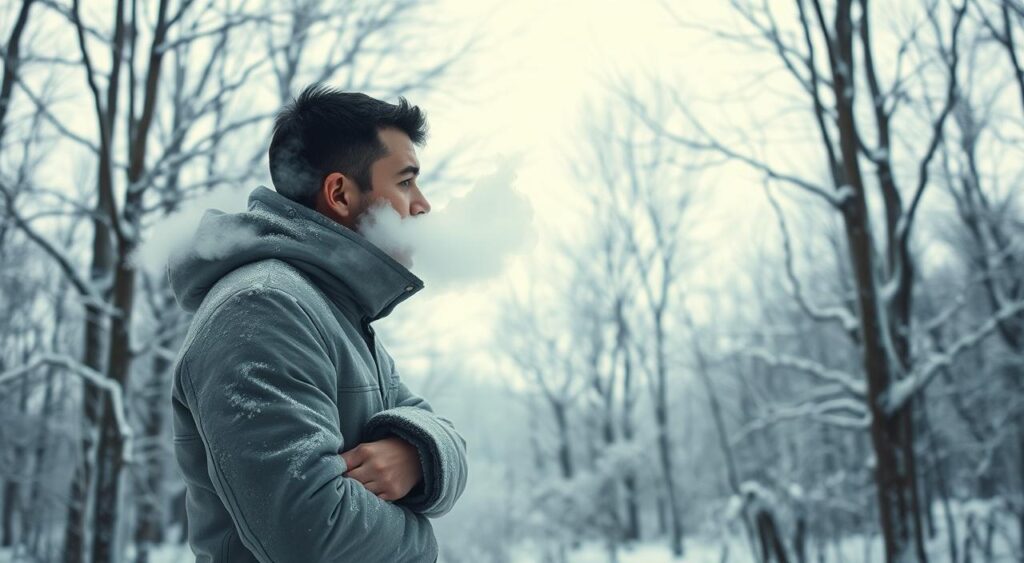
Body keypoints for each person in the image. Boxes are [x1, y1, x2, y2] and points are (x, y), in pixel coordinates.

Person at [167, 84, 468, 562]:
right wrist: (424, 541)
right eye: (406, 182)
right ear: (340, 194)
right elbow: (312, 534)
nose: (423, 204)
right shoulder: (263, 307)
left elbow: (443, 430)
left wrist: (418, 452)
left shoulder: (332, 311)